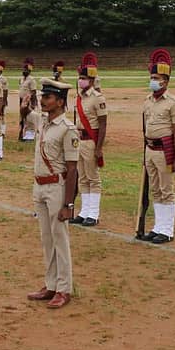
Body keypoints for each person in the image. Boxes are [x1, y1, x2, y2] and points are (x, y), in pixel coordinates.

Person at [24, 78, 79, 309]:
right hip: (39, 186)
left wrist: (69, 204)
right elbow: (26, 114)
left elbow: (73, 169)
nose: (42, 100)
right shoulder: (43, 123)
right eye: (42, 96)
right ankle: (51, 284)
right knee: (46, 239)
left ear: (59, 101)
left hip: (57, 187)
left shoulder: (68, 129)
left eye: (47, 97)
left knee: (60, 239)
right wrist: (25, 101)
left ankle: (64, 288)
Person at [138, 49, 175, 242]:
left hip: (164, 150)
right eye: (151, 77)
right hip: (150, 149)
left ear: (165, 80)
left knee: (166, 190)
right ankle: (158, 226)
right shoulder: (148, 100)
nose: (152, 80)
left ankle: (167, 230)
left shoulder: (173, 102)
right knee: (155, 189)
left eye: (156, 77)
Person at [70, 52, 107, 226]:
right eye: (80, 77)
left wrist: (99, 147)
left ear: (91, 80)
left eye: (84, 78)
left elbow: (103, 124)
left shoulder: (97, 98)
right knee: (82, 177)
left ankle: (93, 213)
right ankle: (84, 211)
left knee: (93, 177)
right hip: (79, 140)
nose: (81, 80)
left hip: (91, 141)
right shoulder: (80, 97)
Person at [18, 58, 38, 141]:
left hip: (28, 101)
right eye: (23, 69)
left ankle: (30, 135)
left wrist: (33, 104)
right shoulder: (21, 79)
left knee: (30, 118)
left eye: (26, 69)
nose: (24, 70)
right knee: (22, 118)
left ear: (29, 71)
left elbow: (33, 92)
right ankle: (23, 134)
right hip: (21, 101)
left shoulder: (31, 80)